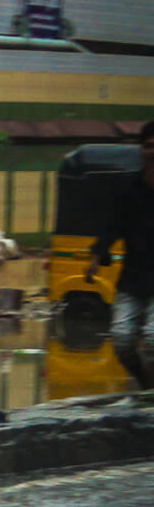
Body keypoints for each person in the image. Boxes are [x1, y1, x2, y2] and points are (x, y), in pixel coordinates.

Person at [84, 119, 154, 389]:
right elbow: (112, 226)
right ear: (141, 150)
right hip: (133, 278)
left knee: (151, 338)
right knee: (122, 338)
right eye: (148, 146)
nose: (152, 152)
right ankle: (145, 386)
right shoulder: (130, 189)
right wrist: (96, 256)